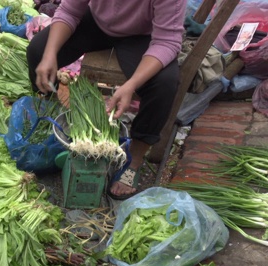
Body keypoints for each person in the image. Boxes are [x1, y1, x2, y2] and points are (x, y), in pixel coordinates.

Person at [26, 0, 187, 200]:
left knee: (164, 84)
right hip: (96, 23)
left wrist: (131, 84)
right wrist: (50, 55)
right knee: (38, 50)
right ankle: (52, 121)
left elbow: (167, 41)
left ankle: (134, 162)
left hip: (141, 36)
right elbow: (70, 10)